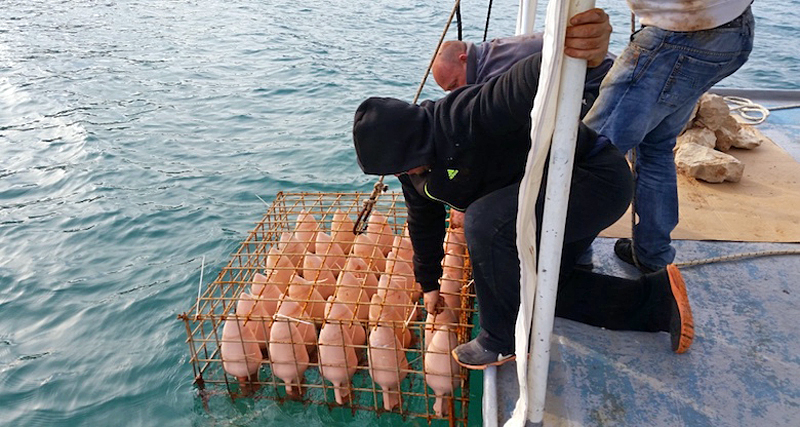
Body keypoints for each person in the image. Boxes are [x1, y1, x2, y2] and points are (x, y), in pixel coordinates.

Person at [352, 9, 694, 370]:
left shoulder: (462, 115)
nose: (405, 172)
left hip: (591, 180)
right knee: (543, 292)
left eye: (404, 164)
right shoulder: (414, 170)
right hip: (548, 198)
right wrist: (429, 282)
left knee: (483, 222)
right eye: (398, 169)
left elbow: (524, 80)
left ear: (412, 141)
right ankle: (658, 301)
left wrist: (578, 52)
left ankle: (501, 341)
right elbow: (423, 221)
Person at [583, 2, 755, 273]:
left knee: (590, 154)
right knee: (657, 146)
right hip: (730, 30)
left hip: (681, 36)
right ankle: (652, 252)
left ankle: (570, 257)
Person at [431, 32, 614, 93]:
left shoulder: (494, 74)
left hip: (606, 83)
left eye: (455, 84)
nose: (457, 93)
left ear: (464, 59)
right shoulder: (493, 50)